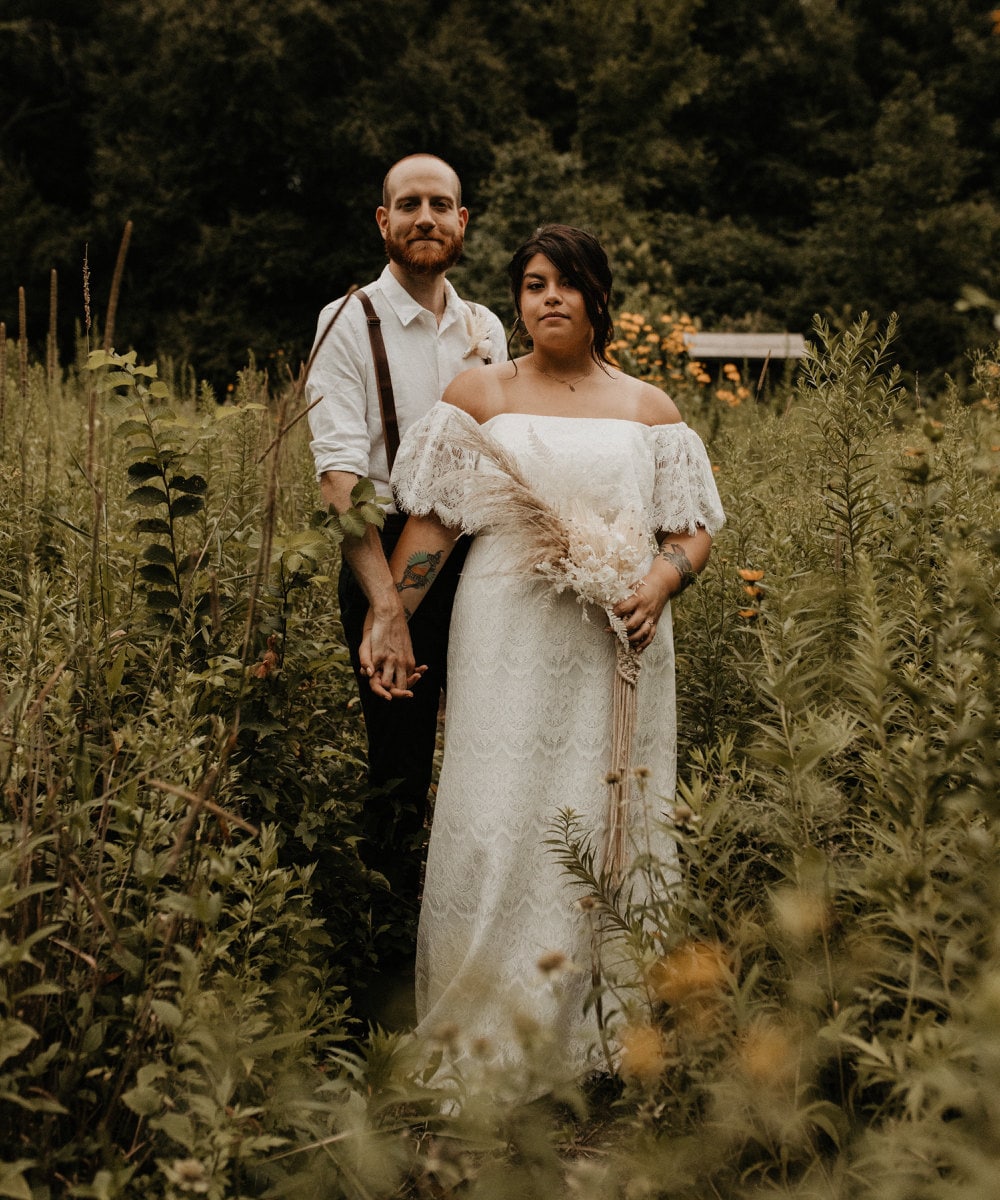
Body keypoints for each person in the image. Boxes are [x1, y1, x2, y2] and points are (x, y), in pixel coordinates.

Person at [373, 224, 726, 1090]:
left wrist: (663, 579)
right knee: (497, 822)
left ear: (599, 296)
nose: (551, 299)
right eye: (534, 285)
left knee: (607, 827)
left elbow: (692, 529)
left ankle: (600, 1049)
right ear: (519, 300)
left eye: (567, 283)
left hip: (620, 647)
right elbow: (435, 526)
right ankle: (484, 1038)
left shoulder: (651, 410)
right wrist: (393, 616)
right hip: (506, 636)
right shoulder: (480, 394)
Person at [305, 155, 506, 1003]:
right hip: (387, 557)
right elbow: (339, 475)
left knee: (489, 752)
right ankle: (384, 973)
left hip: (487, 557)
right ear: (381, 222)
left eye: (442, 205)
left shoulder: (488, 328)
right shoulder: (347, 321)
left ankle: (476, 943)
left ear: (464, 223)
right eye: (409, 205)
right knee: (398, 766)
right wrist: (386, 605)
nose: (426, 217)